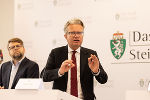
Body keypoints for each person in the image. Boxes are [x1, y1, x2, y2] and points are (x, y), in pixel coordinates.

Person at [41, 18, 108, 100]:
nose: (76, 35)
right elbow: (44, 76)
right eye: (72, 33)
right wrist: (60, 71)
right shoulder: (56, 53)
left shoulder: (91, 54)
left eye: (79, 32)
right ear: (65, 36)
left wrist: (96, 71)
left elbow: (104, 79)